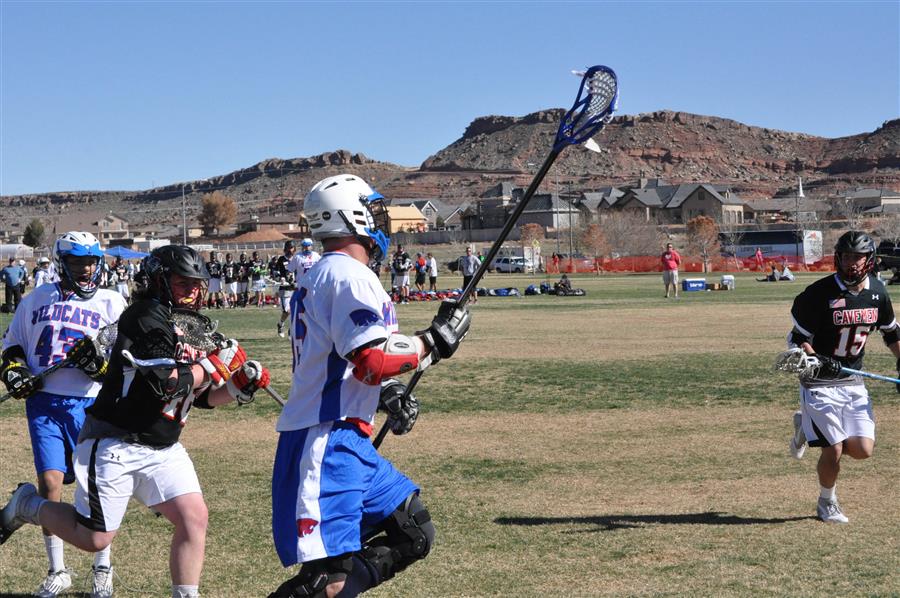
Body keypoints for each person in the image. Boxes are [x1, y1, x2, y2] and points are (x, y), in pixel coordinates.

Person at [0, 245, 271, 598]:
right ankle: (28, 504)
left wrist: (237, 386)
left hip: (163, 445)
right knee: (94, 537)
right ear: (160, 281)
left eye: (196, 284)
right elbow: (167, 384)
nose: (193, 291)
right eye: (182, 283)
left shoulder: (187, 323)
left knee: (194, 517)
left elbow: (199, 396)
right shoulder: (144, 317)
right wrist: (214, 366)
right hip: (116, 442)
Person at [270, 173, 470, 598]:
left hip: (346, 436)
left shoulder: (331, 272)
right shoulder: (346, 274)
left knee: (412, 530)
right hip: (327, 439)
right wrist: (432, 341)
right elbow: (372, 359)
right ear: (350, 215)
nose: (380, 219)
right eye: (371, 209)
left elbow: (344, 361)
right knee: (329, 581)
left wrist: (388, 393)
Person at [1, 232, 128, 598]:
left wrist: (101, 369)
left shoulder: (112, 301)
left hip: (92, 403)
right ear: (62, 263)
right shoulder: (36, 298)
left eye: (90, 262)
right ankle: (57, 569)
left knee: (96, 486)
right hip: (44, 403)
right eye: (77, 262)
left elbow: (125, 361)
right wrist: (14, 370)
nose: (86, 269)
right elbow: (12, 346)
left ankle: (102, 566)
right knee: (50, 484)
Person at [786, 231, 900, 524]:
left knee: (862, 450)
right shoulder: (819, 293)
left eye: (858, 257)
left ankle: (805, 426)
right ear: (838, 258)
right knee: (833, 447)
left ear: (869, 260)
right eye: (847, 256)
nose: (852, 263)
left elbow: (892, 333)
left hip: (853, 381)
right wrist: (816, 358)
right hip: (819, 381)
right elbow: (797, 339)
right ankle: (827, 502)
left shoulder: (877, 292)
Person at [274, 241, 297, 338]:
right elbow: (275, 272)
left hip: (295, 287)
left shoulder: (297, 259)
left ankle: (291, 330)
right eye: (288, 248)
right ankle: (281, 324)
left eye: (291, 248)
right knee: (287, 311)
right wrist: (280, 278)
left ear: (294, 249)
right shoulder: (281, 259)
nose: (290, 250)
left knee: (295, 310)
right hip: (285, 288)